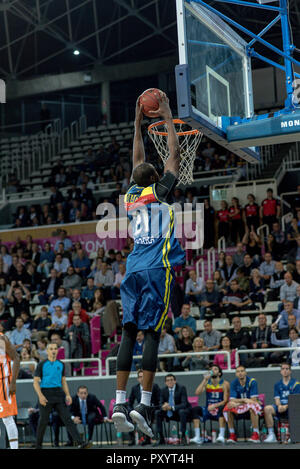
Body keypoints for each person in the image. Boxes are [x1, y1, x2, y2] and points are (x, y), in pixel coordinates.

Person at [112, 93, 185, 440]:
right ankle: (141, 405)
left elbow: (137, 157)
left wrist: (138, 123)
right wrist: (168, 116)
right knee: (152, 333)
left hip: (132, 269)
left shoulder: (129, 197)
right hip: (157, 269)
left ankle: (117, 404)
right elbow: (173, 154)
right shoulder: (161, 193)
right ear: (156, 179)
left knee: (128, 333)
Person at [33, 342, 91, 449]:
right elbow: (35, 382)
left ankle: (80, 443)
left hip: (59, 394)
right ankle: (38, 445)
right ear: (47, 351)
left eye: (55, 348)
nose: (53, 350)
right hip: (46, 393)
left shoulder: (61, 364)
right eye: (51, 349)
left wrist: (68, 394)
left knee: (67, 419)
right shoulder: (42, 364)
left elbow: (63, 381)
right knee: (43, 420)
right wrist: (40, 396)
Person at [190, 365, 230, 445]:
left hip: (218, 408)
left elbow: (225, 400)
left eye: (215, 369)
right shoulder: (207, 383)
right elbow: (197, 393)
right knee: (195, 409)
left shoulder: (225, 384)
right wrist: (204, 380)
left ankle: (221, 435)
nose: (212, 370)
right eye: (211, 369)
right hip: (208, 409)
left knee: (223, 408)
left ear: (219, 373)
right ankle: (197, 437)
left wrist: (215, 406)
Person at [263, 362, 300, 443]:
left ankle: (293, 434)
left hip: (291, 407)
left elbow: (295, 400)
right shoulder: (277, 384)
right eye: (283, 369)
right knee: (267, 409)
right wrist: (279, 406)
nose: (285, 371)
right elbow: (277, 399)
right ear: (280, 371)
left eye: (287, 369)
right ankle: (271, 434)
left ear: (290, 371)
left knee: (295, 409)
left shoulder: (296, 384)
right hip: (280, 407)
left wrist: (285, 406)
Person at [225, 365, 261, 443]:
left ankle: (256, 434)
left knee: (252, 407)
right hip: (240, 407)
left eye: (242, 371)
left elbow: (253, 400)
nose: (240, 373)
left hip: (250, 407)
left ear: (246, 372)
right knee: (228, 407)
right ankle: (232, 434)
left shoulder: (252, 382)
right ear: (236, 374)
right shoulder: (233, 383)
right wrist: (244, 400)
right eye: (238, 371)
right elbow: (232, 400)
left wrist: (238, 403)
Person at [154, 374, 192, 446]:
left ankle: (183, 436)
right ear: (165, 382)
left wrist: (171, 407)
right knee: (157, 413)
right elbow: (160, 403)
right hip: (168, 412)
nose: (170, 382)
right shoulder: (163, 390)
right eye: (168, 380)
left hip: (179, 411)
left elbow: (184, 404)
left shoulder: (181, 388)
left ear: (175, 381)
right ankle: (161, 438)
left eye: (171, 380)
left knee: (182, 412)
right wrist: (163, 406)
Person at [128, 370, 161, 446]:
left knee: (145, 413)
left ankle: (148, 438)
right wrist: (131, 412)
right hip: (139, 411)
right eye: (140, 377)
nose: (142, 378)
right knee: (129, 414)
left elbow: (159, 401)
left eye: (144, 377)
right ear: (137, 379)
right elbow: (130, 403)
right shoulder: (134, 388)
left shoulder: (154, 386)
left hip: (151, 410)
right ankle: (132, 439)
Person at [0, 331, 20, 449]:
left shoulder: (2, 338)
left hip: (4, 381)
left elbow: (16, 358)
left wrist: (13, 382)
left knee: (7, 418)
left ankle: (14, 448)